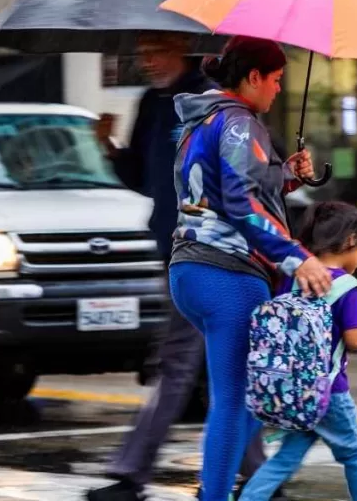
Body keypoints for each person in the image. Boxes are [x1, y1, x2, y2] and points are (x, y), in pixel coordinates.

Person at [86, 33, 270, 501]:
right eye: (141, 53)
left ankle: (131, 474)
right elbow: (144, 179)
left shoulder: (212, 102)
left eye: (155, 51)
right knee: (220, 368)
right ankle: (263, 476)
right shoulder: (152, 102)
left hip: (210, 253)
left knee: (177, 365)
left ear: (180, 50)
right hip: (176, 251)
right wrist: (108, 145)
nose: (146, 61)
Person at [167, 36, 334, 501]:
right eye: (277, 79)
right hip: (229, 275)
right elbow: (241, 204)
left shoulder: (204, 118)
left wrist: (288, 175)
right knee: (236, 400)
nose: (279, 90)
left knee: (239, 399)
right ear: (255, 76)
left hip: (190, 270)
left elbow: (225, 191)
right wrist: (297, 257)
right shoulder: (240, 124)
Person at [240, 202, 357, 501]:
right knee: (355, 455)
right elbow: (354, 341)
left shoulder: (295, 277)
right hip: (331, 391)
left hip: (298, 390)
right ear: (350, 241)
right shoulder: (347, 286)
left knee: (286, 458)